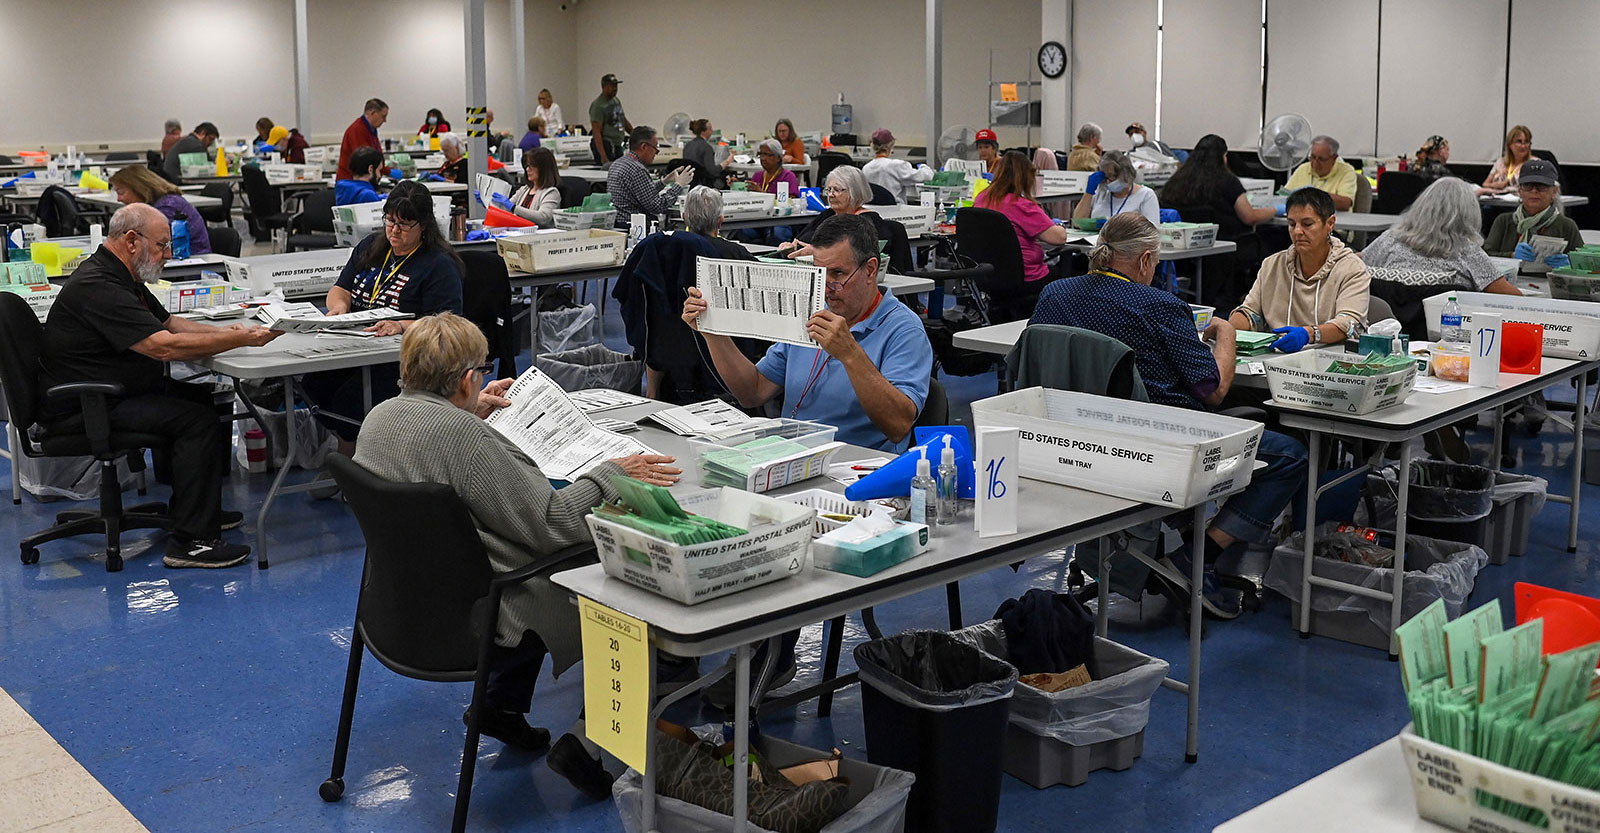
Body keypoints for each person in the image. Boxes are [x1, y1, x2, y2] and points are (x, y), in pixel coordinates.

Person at [353, 312, 680, 800]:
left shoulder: (378, 419)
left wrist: (467, 411)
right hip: (484, 616)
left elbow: (436, 448)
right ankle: (588, 743)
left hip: (399, 609)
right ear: (467, 379)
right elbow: (552, 524)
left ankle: (500, 704)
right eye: (480, 372)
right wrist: (613, 473)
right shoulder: (465, 439)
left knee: (504, 547)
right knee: (621, 577)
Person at [1029, 213, 1308, 619]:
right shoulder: (1160, 306)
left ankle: (1178, 543)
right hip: (1161, 450)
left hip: (1076, 449)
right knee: (1288, 455)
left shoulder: (1054, 294)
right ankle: (1200, 553)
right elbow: (1214, 391)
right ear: (1144, 261)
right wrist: (1225, 335)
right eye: (1156, 262)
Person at [38, 204, 280, 568]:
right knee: (193, 420)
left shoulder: (121, 276)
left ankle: (194, 512)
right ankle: (192, 541)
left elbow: (168, 323)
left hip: (111, 393)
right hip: (85, 407)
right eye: (163, 245)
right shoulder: (99, 286)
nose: (168, 255)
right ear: (132, 240)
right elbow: (161, 346)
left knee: (200, 398)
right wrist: (239, 342)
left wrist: (229, 332)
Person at [684, 213, 932, 454]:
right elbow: (753, 392)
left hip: (854, 466)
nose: (826, 289)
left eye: (838, 274)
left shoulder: (903, 329)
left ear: (870, 270)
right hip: (791, 455)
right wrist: (712, 332)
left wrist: (850, 354)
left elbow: (899, 426)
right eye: (819, 274)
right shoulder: (811, 311)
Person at [302, 182, 464, 462]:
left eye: (404, 224)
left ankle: (353, 457)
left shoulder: (438, 264)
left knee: (349, 400)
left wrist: (401, 326)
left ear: (424, 225)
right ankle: (356, 447)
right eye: (390, 220)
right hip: (354, 344)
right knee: (313, 383)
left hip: (402, 357)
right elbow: (340, 289)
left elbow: (447, 322)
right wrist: (339, 307)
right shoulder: (372, 247)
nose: (394, 230)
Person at [1230, 187, 1370, 351]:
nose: (1297, 231)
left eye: (1307, 224)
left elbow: (1350, 324)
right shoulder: (1272, 265)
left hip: (1328, 362)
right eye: (1291, 224)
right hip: (1274, 358)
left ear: (1330, 223)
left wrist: (1309, 334)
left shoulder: (1351, 268)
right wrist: (1228, 328)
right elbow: (1251, 313)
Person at [1362, 178, 1521, 295]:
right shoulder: (1468, 253)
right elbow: (1513, 298)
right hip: (1445, 334)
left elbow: (1353, 263)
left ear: (1421, 205)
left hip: (1387, 328)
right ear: (1469, 214)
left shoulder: (1390, 240)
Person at [779, 166, 914, 275]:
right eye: (829, 190)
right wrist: (790, 247)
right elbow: (800, 240)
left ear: (855, 192)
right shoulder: (828, 215)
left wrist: (816, 253)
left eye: (837, 190)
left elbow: (854, 259)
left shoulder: (868, 222)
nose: (831, 195)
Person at [974, 151, 1071, 284]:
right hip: (1025, 276)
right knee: (1075, 268)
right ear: (1026, 177)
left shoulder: (981, 198)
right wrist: (1060, 226)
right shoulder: (1021, 205)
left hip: (989, 275)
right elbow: (1058, 238)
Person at [1158, 134, 1278, 238]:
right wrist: (1275, 210)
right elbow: (1250, 217)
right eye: (1225, 156)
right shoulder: (1228, 181)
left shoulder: (1177, 180)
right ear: (1221, 157)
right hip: (1229, 244)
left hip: (1184, 246)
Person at [1482, 158, 1583, 264]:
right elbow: (1485, 257)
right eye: (1528, 186)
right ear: (1520, 191)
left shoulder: (1566, 226)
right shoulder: (1504, 221)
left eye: (1541, 186)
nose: (1534, 191)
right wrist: (1511, 256)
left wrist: (1569, 265)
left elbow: (1582, 264)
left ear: (1554, 192)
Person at [108, 166, 213, 256]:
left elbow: (156, 245)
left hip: (190, 262)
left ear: (138, 189)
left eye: (121, 192)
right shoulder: (156, 204)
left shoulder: (168, 207)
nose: (118, 199)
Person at [604, 126, 693, 222]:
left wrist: (665, 181)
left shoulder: (618, 163)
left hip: (618, 221)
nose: (656, 153)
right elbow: (658, 206)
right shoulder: (637, 169)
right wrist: (679, 185)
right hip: (633, 226)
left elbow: (643, 192)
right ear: (644, 147)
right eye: (655, 148)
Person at [1073, 149, 1161, 225]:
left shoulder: (1146, 195)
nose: (1108, 182)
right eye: (1105, 177)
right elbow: (1077, 222)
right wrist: (1089, 193)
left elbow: (1152, 233)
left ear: (1125, 174)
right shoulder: (1101, 192)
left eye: (1112, 177)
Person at [1285, 135, 1358, 211]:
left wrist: (1313, 195)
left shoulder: (1346, 171)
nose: (1315, 163)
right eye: (1312, 157)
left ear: (1334, 158)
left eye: (1321, 159)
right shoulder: (1303, 168)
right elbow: (1285, 195)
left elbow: (1345, 203)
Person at [862, 128, 934, 204]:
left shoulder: (866, 168)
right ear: (890, 146)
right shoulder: (896, 165)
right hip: (896, 211)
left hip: (874, 211)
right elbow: (926, 176)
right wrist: (923, 166)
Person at [508, 147, 561, 226]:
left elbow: (543, 217)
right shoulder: (524, 189)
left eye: (531, 166)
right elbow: (506, 208)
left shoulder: (551, 193)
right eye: (527, 166)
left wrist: (514, 208)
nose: (527, 169)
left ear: (543, 168)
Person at [338, 98, 387, 181]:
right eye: (383, 116)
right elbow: (365, 160)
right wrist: (386, 171)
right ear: (373, 113)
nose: (385, 120)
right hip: (351, 181)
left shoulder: (371, 130)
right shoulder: (358, 130)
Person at [588, 73, 632, 165]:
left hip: (618, 145)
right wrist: (603, 156)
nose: (615, 89)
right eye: (612, 86)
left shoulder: (616, 101)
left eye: (616, 86)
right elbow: (596, 132)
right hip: (606, 146)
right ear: (604, 87)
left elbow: (622, 119)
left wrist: (636, 134)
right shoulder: (598, 106)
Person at [1479, 125, 1533, 195]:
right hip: (1496, 200)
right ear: (1510, 144)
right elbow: (1485, 184)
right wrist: (1496, 185)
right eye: (1519, 142)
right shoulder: (1500, 162)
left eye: (1526, 142)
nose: (1523, 146)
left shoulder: (1534, 163)